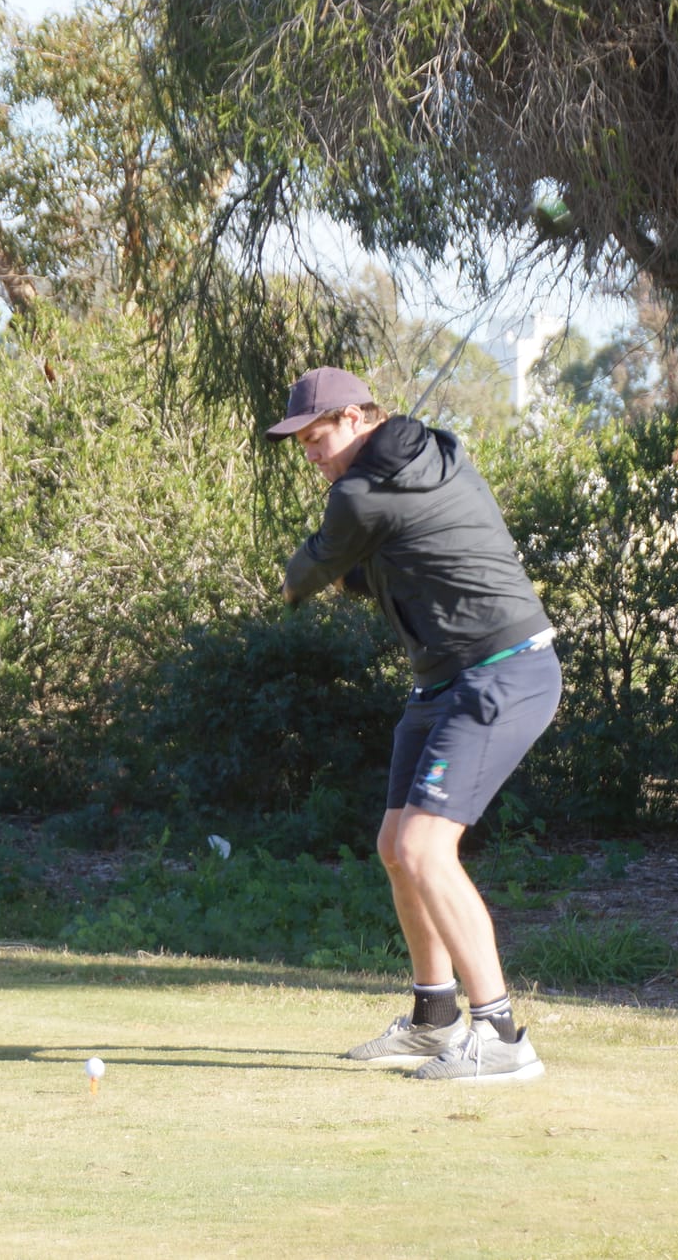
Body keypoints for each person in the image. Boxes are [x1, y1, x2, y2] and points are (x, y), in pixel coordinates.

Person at [267, 365, 561, 1084]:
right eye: (302, 444)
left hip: (502, 671)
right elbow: (387, 565)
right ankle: (435, 1019)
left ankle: (501, 1035)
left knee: (426, 847)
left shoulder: (358, 494)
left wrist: (303, 573)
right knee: (396, 847)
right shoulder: (437, 450)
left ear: (357, 417)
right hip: (443, 679)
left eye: (317, 437)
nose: (313, 455)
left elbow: (306, 575)